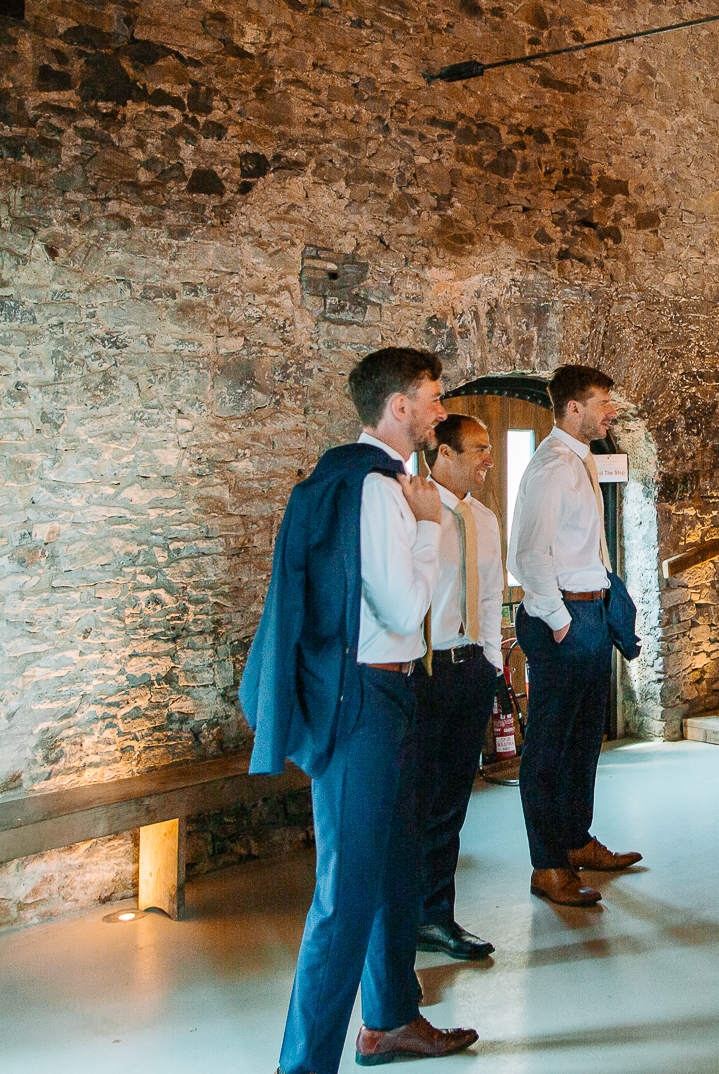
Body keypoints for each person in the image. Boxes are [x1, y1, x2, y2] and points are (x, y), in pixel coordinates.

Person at [240, 347, 478, 1073]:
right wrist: (433, 522)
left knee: (396, 866)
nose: (440, 411)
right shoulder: (378, 489)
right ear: (398, 407)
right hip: (365, 703)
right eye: (432, 397)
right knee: (344, 896)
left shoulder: (376, 481)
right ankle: (304, 1065)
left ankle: (390, 1020)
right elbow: (405, 606)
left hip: (393, 694)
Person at [509, 364, 643, 909]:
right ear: (573, 408)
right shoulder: (548, 469)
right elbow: (527, 555)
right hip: (560, 620)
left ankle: (577, 840)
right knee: (549, 747)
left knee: (585, 741)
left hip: (589, 615)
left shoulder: (579, 460)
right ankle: (547, 865)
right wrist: (560, 620)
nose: (610, 411)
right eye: (602, 402)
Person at [414, 414, 506, 962]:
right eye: (477, 449)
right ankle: (399, 917)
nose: (487, 459)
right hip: (424, 670)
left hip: (471, 669)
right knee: (414, 802)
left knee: (451, 803)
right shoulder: (414, 513)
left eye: (490, 449)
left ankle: (436, 916)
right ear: (443, 454)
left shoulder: (486, 521)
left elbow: (491, 596)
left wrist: (491, 664)